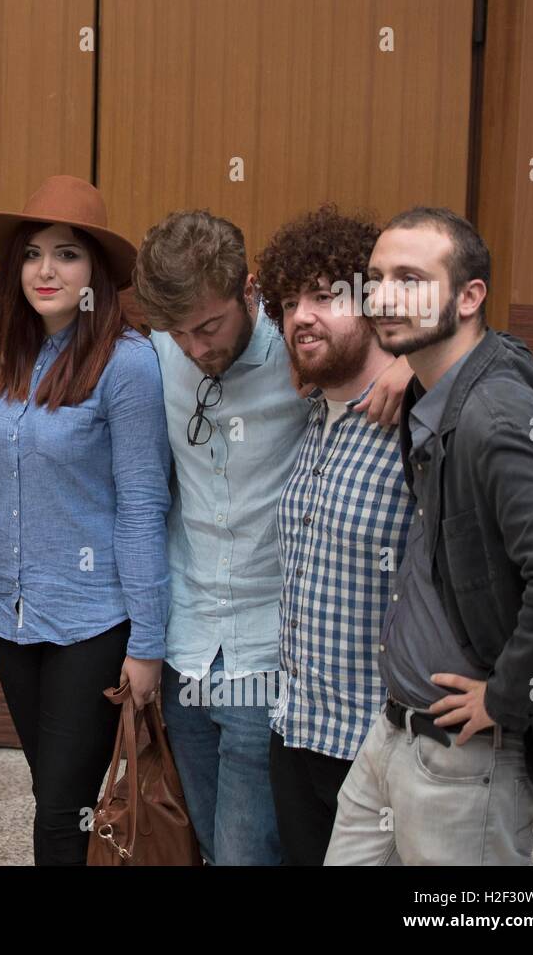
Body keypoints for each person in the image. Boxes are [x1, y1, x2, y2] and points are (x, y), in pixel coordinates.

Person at [130, 210, 413, 864]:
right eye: (179, 332)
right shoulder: (157, 352)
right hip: (187, 644)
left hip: (272, 651)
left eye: (209, 327)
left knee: (245, 849)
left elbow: (450, 345)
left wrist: (411, 364)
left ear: (250, 292)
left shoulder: (302, 352)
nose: (196, 346)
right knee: (202, 834)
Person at [325, 207, 533, 864]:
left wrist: (508, 695)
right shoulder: (435, 388)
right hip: (392, 737)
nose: (384, 295)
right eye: (376, 278)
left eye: (410, 279)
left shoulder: (492, 417)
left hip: (462, 761)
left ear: (470, 296)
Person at [0, 176, 170, 865]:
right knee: (58, 795)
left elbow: (142, 505)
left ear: (95, 273)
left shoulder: (128, 364)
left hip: (94, 621)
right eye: (33, 253)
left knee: (57, 812)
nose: (46, 270)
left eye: (68, 254)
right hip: (14, 619)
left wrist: (148, 643)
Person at [254, 206, 413, 864]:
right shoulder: (314, 421)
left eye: (323, 296)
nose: (301, 317)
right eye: (289, 303)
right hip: (297, 733)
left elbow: (505, 375)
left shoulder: (424, 416)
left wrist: (424, 367)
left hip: (381, 747)